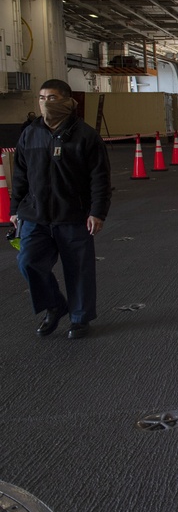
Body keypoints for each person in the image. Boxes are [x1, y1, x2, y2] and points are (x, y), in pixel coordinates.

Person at [10, 79, 111, 339]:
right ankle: (55, 305)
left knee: (78, 269)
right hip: (35, 215)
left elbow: (100, 178)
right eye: (42, 98)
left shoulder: (86, 136)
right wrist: (15, 209)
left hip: (73, 216)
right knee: (28, 261)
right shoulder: (30, 133)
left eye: (52, 98)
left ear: (68, 101)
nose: (46, 103)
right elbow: (20, 174)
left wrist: (97, 212)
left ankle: (79, 318)